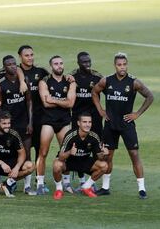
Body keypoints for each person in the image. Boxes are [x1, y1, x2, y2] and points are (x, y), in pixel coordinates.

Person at [92, 52, 154, 199]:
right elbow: (94, 92)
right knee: (108, 156)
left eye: (124, 64)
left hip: (127, 125)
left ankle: (141, 189)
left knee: (134, 155)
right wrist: (101, 110)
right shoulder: (106, 81)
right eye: (119, 65)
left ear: (127, 65)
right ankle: (105, 187)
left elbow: (150, 96)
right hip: (110, 124)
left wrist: (137, 114)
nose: (122, 67)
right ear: (115, 65)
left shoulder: (134, 82)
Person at [0, 55, 35, 195]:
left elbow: (29, 102)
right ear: (4, 67)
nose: (12, 66)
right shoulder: (0, 84)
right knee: (2, 153)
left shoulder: (23, 80)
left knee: (27, 155)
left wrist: (30, 122)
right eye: (9, 64)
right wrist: (1, 125)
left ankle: (27, 186)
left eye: (14, 64)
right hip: (8, 125)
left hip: (23, 123)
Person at [36, 55, 76, 195]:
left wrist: (54, 99)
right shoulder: (44, 81)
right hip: (48, 121)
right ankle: (40, 184)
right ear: (51, 66)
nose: (59, 66)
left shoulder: (70, 81)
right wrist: (62, 101)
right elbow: (46, 103)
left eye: (61, 63)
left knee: (66, 153)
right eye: (56, 64)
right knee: (43, 152)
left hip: (64, 121)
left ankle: (66, 183)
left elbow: (71, 103)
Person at [52, 112, 109, 200]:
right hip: (70, 162)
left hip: (84, 162)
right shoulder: (70, 135)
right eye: (85, 122)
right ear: (79, 123)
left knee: (104, 166)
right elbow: (61, 157)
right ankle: (59, 189)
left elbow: (100, 158)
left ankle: (86, 186)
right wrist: (70, 152)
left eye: (89, 122)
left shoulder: (94, 137)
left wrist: (104, 153)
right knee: (56, 165)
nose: (87, 125)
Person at [0, 111, 35, 198]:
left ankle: (7, 183)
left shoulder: (14, 134)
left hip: (10, 163)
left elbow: (22, 154)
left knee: (30, 166)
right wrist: (1, 163)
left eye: (9, 123)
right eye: (4, 123)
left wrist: (17, 168)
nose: (7, 126)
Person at [70, 51, 103, 189]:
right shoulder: (72, 77)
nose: (87, 64)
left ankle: (92, 182)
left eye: (89, 61)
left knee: (96, 149)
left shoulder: (97, 77)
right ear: (78, 63)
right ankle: (82, 180)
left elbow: (110, 92)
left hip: (94, 119)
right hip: (77, 119)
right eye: (84, 62)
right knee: (78, 149)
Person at [18, 45, 49, 165]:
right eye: (26, 55)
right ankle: (25, 178)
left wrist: (68, 77)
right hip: (20, 118)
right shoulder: (13, 71)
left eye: (31, 55)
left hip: (39, 116)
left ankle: (39, 178)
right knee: (23, 149)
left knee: (39, 148)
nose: (30, 58)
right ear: (20, 57)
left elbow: (56, 77)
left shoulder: (41, 72)